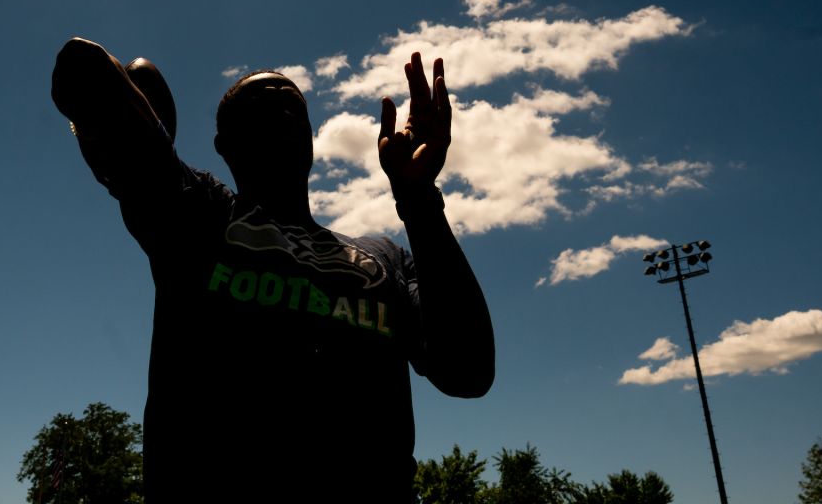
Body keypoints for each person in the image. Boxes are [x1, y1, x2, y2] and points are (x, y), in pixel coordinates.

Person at [51, 37, 494, 503]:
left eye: (294, 108)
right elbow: (81, 67)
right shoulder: (197, 217)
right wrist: (145, 136)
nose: (282, 114)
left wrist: (420, 198)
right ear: (225, 146)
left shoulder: (384, 257)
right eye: (261, 107)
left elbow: (468, 371)